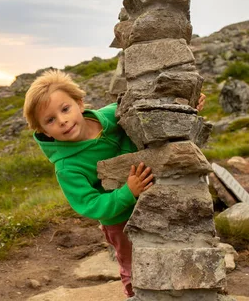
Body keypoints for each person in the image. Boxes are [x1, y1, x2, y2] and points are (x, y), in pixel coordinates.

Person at [23, 69, 205, 298]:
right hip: (120, 222)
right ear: (44, 131)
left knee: (172, 254)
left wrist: (187, 108)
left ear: (79, 103)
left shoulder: (112, 115)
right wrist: (127, 193)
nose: (62, 120)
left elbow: (154, 120)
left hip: (158, 198)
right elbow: (90, 204)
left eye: (65, 109)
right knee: (135, 267)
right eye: (50, 120)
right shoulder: (67, 167)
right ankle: (135, 296)